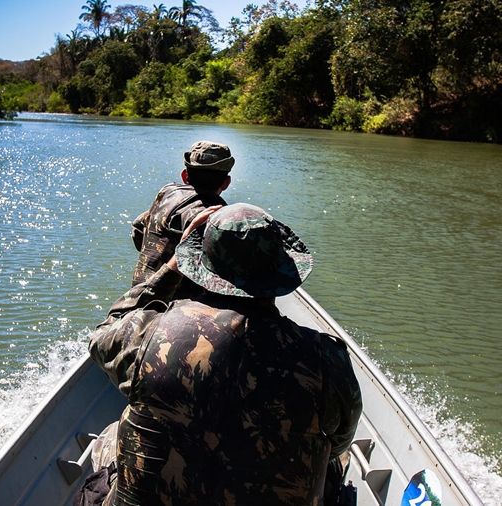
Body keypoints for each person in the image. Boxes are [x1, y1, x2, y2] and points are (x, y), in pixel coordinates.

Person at [89, 203, 363, 506]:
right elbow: (338, 442)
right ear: (280, 273)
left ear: (199, 266)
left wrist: (170, 268)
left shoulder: (149, 335)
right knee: (337, 463)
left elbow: (104, 334)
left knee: (111, 436)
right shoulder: (327, 361)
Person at [131, 140, 233, 300]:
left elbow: (138, 229)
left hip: (135, 297)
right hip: (174, 310)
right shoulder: (211, 217)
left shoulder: (168, 192)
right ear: (226, 183)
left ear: (185, 176)